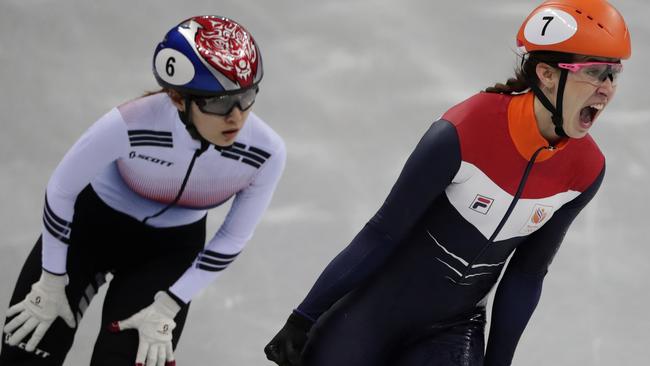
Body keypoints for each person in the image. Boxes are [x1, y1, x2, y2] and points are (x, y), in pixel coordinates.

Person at [264, 0, 630, 365]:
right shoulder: (463, 132)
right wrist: (304, 317)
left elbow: (526, 273)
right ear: (547, 74)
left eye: (614, 74)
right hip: (373, 312)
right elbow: (381, 233)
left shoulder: (585, 169)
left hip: (452, 329)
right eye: (596, 72)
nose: (607, 88)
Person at [0, 15, 285, 366]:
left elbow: (232, 238)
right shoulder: (129, 123)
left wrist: (170, 303)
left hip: (167, 255)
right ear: (178, 99)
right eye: (219, 102)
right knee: (23, 356)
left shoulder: (265, 152)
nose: (237, 116)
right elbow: (61, 190)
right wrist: (51, 279)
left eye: (247, 96)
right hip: (90, 231)